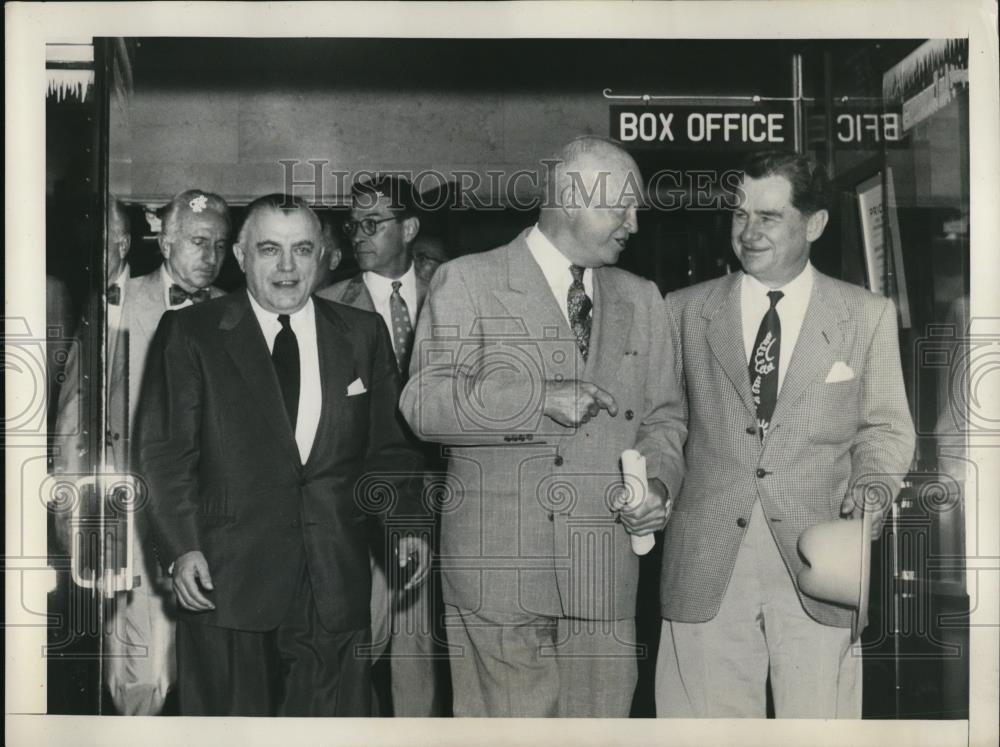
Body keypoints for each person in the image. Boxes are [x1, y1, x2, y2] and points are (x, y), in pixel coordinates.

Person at [399, 136, 684, 717]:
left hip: (602, 566)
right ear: (568, 200)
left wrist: (657, 487)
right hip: (498, 569)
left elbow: (664, 418)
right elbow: (423, 404)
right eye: (620, 207)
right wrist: (536, 399)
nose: (634, 223)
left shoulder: (643, 298)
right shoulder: (468, 281)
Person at [136, 193, 429, 716]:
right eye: (270, 249)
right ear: (241, 256)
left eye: (302, 249)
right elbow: (165, 454)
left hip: (332, 579)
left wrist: (404, 525)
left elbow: (388, 449)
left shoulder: (361, 334)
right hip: (227, 579)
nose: (288, 267)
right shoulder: (192, 334)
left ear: (323, 256)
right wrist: (182, 547)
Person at [654, 151, 916, 718]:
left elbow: (886, 426)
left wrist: (873, 485)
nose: (748, 232)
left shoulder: (865, 314)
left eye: (769, 217)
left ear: (814, 224)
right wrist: (653, 482)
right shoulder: (682, 311)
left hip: (821, 557)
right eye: (739, 215)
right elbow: (666, 422)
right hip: (705, 560)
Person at [53, 189, 230, 715]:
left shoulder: (234, 312)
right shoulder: (118, 302)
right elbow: (73, 419)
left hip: (216, 519)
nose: (210, 256)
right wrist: (77, 524)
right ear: (165, 239)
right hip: (135, 522)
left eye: (220, 245)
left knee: (210, 669)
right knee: (142, 671)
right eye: (199, 242)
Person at [317, 175, 442, 717]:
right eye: (353, 226)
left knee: (422, 641)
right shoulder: (327, 303)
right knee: (361, 631)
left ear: (409, 228)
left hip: (442, 487)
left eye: (373, 224)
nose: (359, 236)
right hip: (362, 493)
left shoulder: (455, 286)